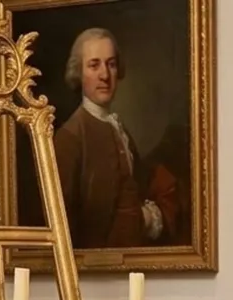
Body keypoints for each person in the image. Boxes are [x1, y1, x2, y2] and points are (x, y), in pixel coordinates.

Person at [54, 28, 164, 249]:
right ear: (79, 72)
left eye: (111, 64)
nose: (104, 75)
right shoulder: (70, 137)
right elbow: (66, 223)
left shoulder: (117, 127)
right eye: (94, 65)